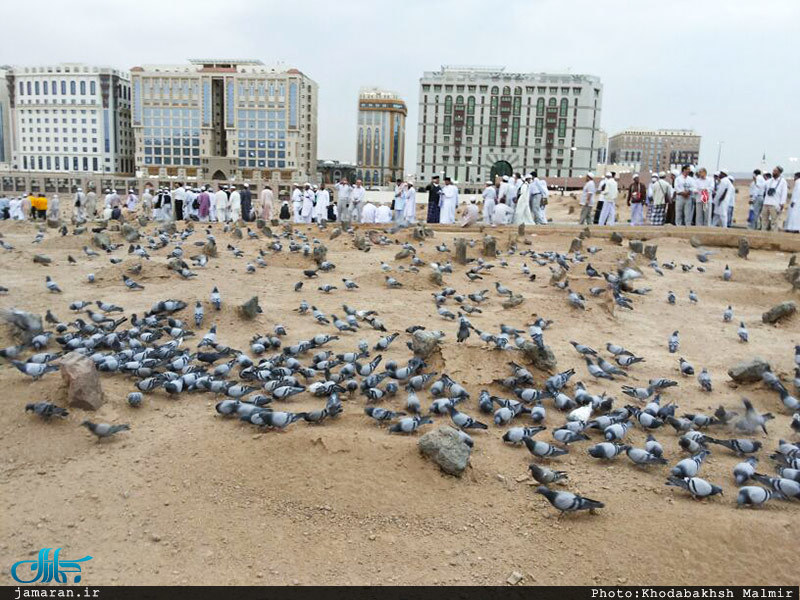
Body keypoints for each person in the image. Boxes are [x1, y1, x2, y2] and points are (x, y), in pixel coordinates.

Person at [760, 166, 787, 231]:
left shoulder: (783, 182)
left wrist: (782, 203)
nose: (773, 172)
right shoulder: (769, 181)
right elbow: (761, 186)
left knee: (774, 222)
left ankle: (774, 235)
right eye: (773, 171)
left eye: (775, 171)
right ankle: (763, 234)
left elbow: (784, 193)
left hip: (775, 204)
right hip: (766, 203)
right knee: (764, 221)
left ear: (779, 172)